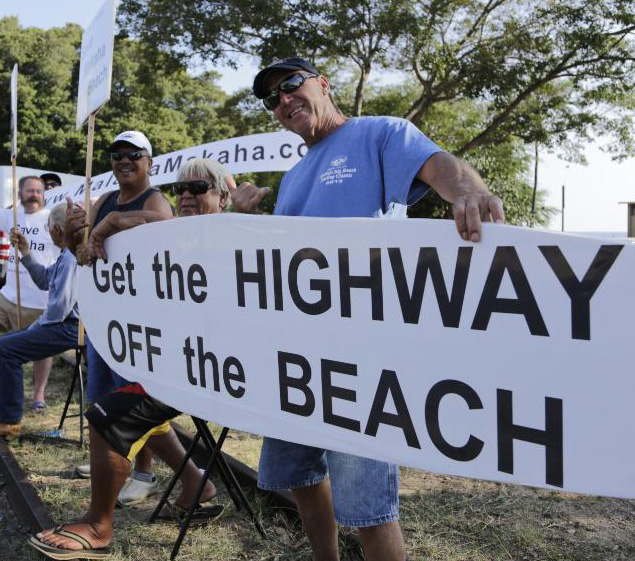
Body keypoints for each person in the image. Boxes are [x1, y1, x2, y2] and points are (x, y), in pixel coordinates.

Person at [230, 57, 506, 561]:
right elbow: (277, 268)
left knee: (369, 506)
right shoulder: (291, 180)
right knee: (299, 476)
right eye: (272, 98)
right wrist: (236, 224)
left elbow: (442, 166)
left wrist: (468, 189)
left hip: (359, 360)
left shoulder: (380, 134)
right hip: (294, 358)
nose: (283, 99)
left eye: (291, 84)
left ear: (323, 84)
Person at [30, 158, 230, 559]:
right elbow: (99, 265)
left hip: (213, 371)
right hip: (164, 358)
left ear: (223, 197)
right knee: (128, 401)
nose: (187, 196)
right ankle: (197, 484)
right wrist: (78, 240)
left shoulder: (229, 232)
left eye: (199, 188)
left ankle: (98, 527)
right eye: (182, 189)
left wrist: (110, 223)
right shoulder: (176, 234)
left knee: (108, 416)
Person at [0, 203, 79, 439]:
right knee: (5, 345)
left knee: (5, 350)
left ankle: (9, 422)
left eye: (48, 228)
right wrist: (26, 251)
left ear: (56, 229)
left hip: (69, 327)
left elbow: (58, 309)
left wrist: (36, 326)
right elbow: (45, 279)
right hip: (63, 324)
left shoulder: (71, 258)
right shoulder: (66, 255)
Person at [0, 176, 59, 413]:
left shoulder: (51, 219)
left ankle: (38, 396)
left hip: (40, 300)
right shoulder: (10, 216)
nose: (34, 195)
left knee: (41, 353)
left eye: (38, 191)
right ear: (20, 194)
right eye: (29, 191)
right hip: (7, 296)